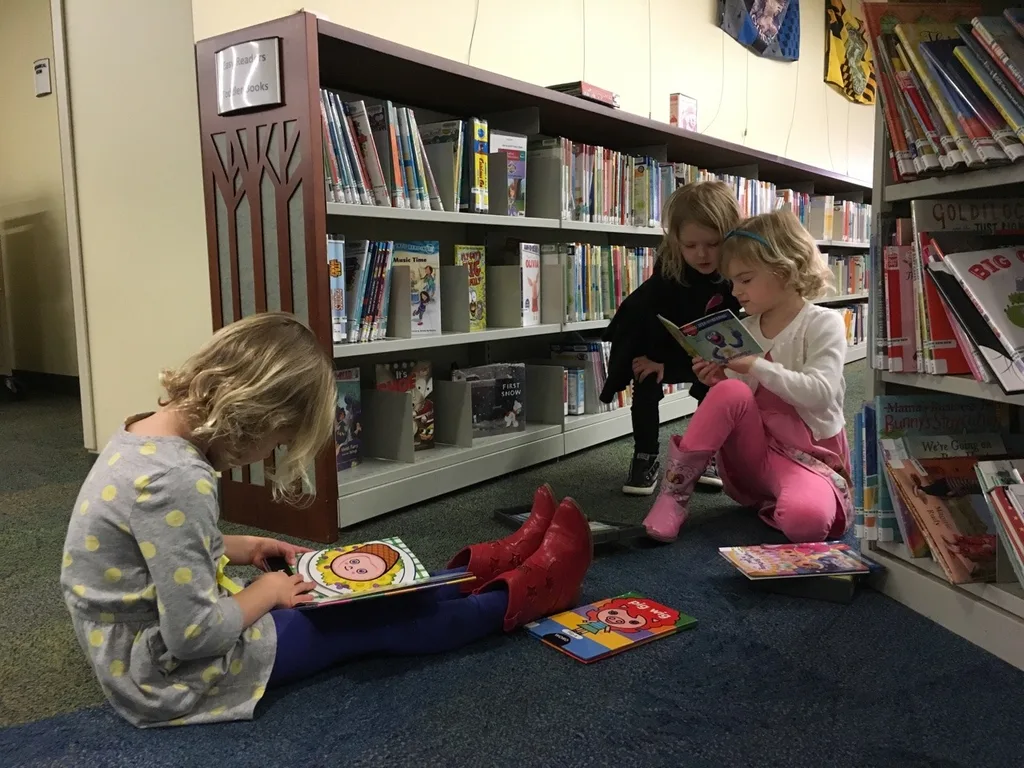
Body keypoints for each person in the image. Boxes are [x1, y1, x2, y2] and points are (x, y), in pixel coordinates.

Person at [59, 312, 592, 728]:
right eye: (279, 441)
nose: (267, 454)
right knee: (369, 617)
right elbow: (193, 636)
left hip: (139, 652)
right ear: (257, 416)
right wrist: (267, 591)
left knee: (362, 592)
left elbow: (155, 543)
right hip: (165, 678)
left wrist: (237, 545)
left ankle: (487, 569)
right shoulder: (178, 479)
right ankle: (517, 595)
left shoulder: (144, 436)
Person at [641, 209, 853, 544]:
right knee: (728, 394)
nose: (736, 291)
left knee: (807, 523)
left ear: (785, 269)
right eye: (733, 281)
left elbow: (821, 393)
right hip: (752, 456)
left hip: (808, 458)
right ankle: (673, 497)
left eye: (746, 279)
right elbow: (740, 399)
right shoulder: (743, 327)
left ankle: (785, 499)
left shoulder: (822, 323)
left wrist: (754, 365)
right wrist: (718, 380)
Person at [599, 180, 743, 496]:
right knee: (644, 377)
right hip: (665, 349)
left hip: (714, 354)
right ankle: (645, 455)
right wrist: (658, 360)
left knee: (720, 385)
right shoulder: (670, 269)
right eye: (690, 246)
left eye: (713, 244)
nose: (702, 254)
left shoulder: (739, 268)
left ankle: (705, 454)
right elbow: (649, 318)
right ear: (676, 242)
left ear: (729, 237)